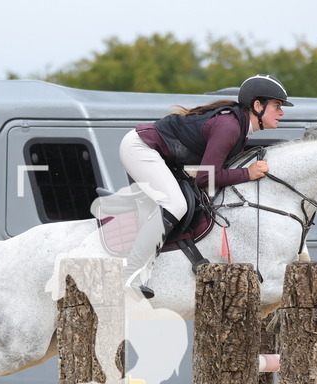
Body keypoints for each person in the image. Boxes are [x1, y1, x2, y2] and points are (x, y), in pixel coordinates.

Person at [118, 74, 292, 298]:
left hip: (159, 155)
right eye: (277, 105)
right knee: (176, 205)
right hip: (141, 148)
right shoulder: (230, 127)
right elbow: (205, 178)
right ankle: (131, 273)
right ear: (258, 106)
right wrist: (247, 173)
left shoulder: (239, 127)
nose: (281, 112)